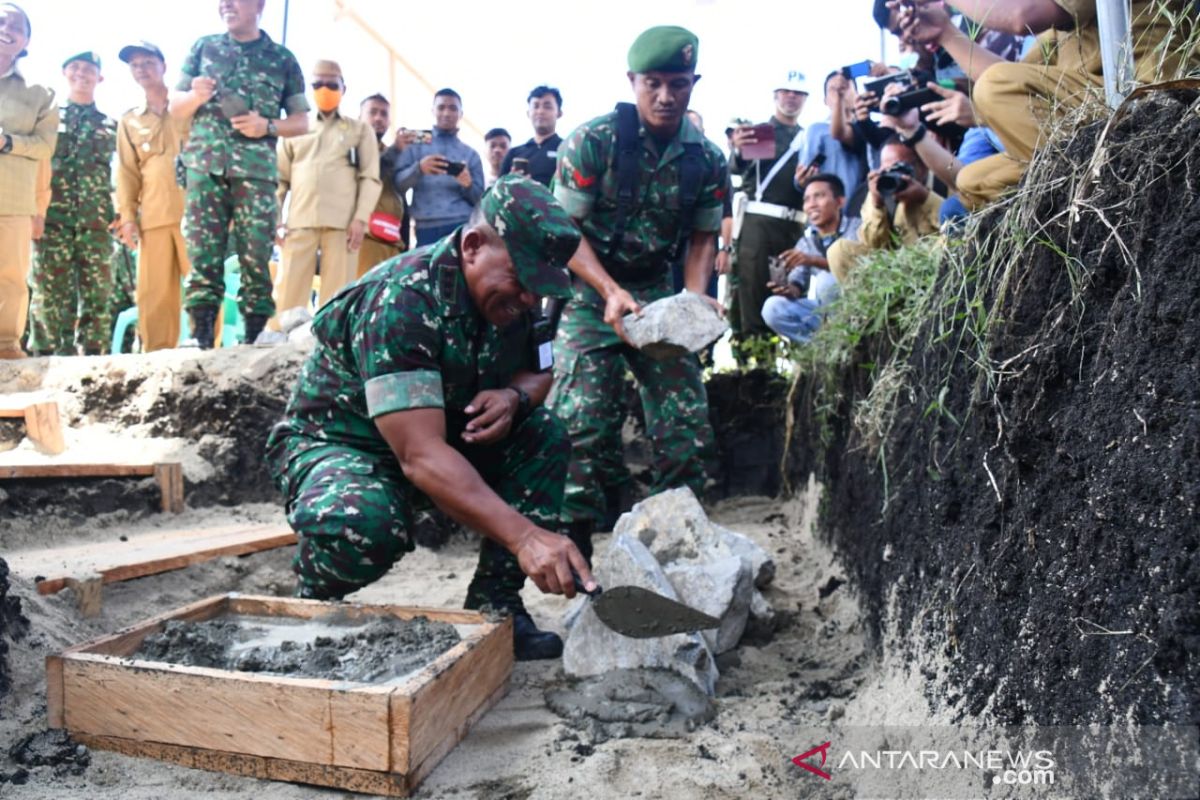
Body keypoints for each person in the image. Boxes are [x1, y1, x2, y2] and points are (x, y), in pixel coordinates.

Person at [265, 175, 594, 661]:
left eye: (538, 289)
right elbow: (419, 455)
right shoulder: (403, 299)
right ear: (474, 246)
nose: (528, 299)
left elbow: (539, 372)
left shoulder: (520, 302)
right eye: (521, 281)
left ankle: (496, 606)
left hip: (440, 442)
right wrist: (525, 537)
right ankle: (312, 600)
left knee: (543, 436)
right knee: (362, 524)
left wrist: (511, 398)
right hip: (344, 448)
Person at [551, 25, 728, 558]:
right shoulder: (593, 141)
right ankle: (575, 543)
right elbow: (563, 233)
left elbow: (703, 236)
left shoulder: (708, 158)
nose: (666, 96)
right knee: (580, 423)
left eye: (678, 83)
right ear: (632, 81)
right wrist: (607, 289)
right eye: (653, 82)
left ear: (694, 83)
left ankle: (674, 543)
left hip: (657, 301)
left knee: (686, 428)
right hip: (590, 298)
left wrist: (693, 301)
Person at [894, 0, 1196, 208]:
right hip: (1101, 123)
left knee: (996, 87)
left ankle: (1102, 202)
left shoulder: (1050, 10)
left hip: (1154, 102)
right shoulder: (1059, 29)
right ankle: (1083, 198)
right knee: (972, 180)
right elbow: (1001, 84)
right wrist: (945, 33)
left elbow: (1020, 16)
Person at [170, 0, 309, 348]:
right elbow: (175, 107)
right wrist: (195, 97)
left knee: (255, 253)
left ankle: (255, 333)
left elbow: (301, 121)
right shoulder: (204, 47)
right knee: (203, 252)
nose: (226, 5)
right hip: (205, 167)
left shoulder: (282, 58)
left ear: (259, 5)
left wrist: (268, 125)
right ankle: (200, 335)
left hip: (255, 172)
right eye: (221, 1)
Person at [273, 60, 380, 318]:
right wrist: (275, 219)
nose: (325, 89)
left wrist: (360, 219)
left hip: (343, 226)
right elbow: (279, 180)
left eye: (331, 84)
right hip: (300, 221)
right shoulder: (297, 128)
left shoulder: (359, 130)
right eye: (318, 84)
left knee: (337, 298)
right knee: (288, 292)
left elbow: (370, 178)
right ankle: (276, 345)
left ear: (344, 88)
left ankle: (329, 348)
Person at [26, 50, 115, 356]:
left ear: (99, 78)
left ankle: (93, 356)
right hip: (52, 219)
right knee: (48, 292)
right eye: (74, 68)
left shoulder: (110, 125)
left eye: (89, 69)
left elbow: (120, 172)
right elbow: (35, 165)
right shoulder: (48, 120)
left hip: (97, 223)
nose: (82, 74)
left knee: (98, 294)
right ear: (64, 73)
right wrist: (33, 210)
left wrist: (119, 210)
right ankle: (44, 356)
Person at [114, 40, 190, 352]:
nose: (141, 69)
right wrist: (128, 219)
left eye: (147, 62)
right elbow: (127, 174)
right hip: (154, 216)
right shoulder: (130, 120)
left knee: (202, 287)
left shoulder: (187, 108)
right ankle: (156, 355)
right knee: (154, 293)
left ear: (163, 66)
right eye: (135, 65)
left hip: (195, 215)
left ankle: (209, 353)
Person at [727, 70, 808, 350]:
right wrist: (738, 150)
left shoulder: (807, 138)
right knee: (752, 289)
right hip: (759, 222)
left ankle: (790, 358)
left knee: (791, 288)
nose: (791, 98)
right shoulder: (763, 132)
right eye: (786, 92)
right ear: (775, 95)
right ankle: (754, 357)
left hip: (796, 225)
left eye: (798, 93)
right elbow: (738, 168)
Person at [0, 3, 56, 360]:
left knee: (10, 277)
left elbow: (45, 146)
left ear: (26, 41)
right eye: (0, 21)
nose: (6, 28)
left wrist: (7, 142)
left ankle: (6, 347)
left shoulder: (41, 93)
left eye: (15, 25)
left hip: (12, 200)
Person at [827, 138, 943, 284]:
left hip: (937, 265)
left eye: (900, 167)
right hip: (898, 271)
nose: (894, 174)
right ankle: (883, 304)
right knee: (838, 251)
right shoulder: (883, 187)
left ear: (923, 166)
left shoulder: (943, 181)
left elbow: (961, 223)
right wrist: (877, 203)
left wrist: (925, 198)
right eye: (887, 169)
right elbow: (873, 243)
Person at [762, 174, 860, 344]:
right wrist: (787, 289)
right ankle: (828, 348)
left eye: (819, 196)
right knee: (772, 308)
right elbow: (797, 285)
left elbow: (860, 268)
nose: (811, 204)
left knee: (826, 282)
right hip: (827, 315)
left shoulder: (858, 228)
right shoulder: (806, 242)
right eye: (806, 199)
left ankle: (850, 341)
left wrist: (813, 260)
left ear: (840, 201)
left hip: (860, 308)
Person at [392, 88, 485, 246]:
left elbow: (481, 201)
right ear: (433, 111)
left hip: (462, 226)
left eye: (453, 108)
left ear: (460, 114)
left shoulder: (471, 155)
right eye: (441, 107)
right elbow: (396, 186)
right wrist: (419, 169)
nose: (447, 113)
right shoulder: (415, 147)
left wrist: (468, 184)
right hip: (426, 228)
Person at [357, 93, 410, 277]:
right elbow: (367, 175)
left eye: (384, 114)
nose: (379, 118)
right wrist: (395, 151)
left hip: (393, 243)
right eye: (373, 112)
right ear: (360, 117)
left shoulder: (392, 153)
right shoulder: (351, 146)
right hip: (364, 241)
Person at [796, 71, 867, 207]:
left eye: (844, 87)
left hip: (862, 211)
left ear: (856, 94)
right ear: (825, 100)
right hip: (828, 213)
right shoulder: (816, 131)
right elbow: (802, 177)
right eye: (833, 89)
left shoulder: (867, 129)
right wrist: (801, 181)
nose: (839, 93)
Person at [500, 86, 563, 187]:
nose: (540, 111)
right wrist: (510, 183)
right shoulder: (514, 153)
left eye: (547, 107)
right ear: (528, 113)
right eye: (535, 106)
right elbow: (496, 192)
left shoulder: (566, 150)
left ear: (559, 113)